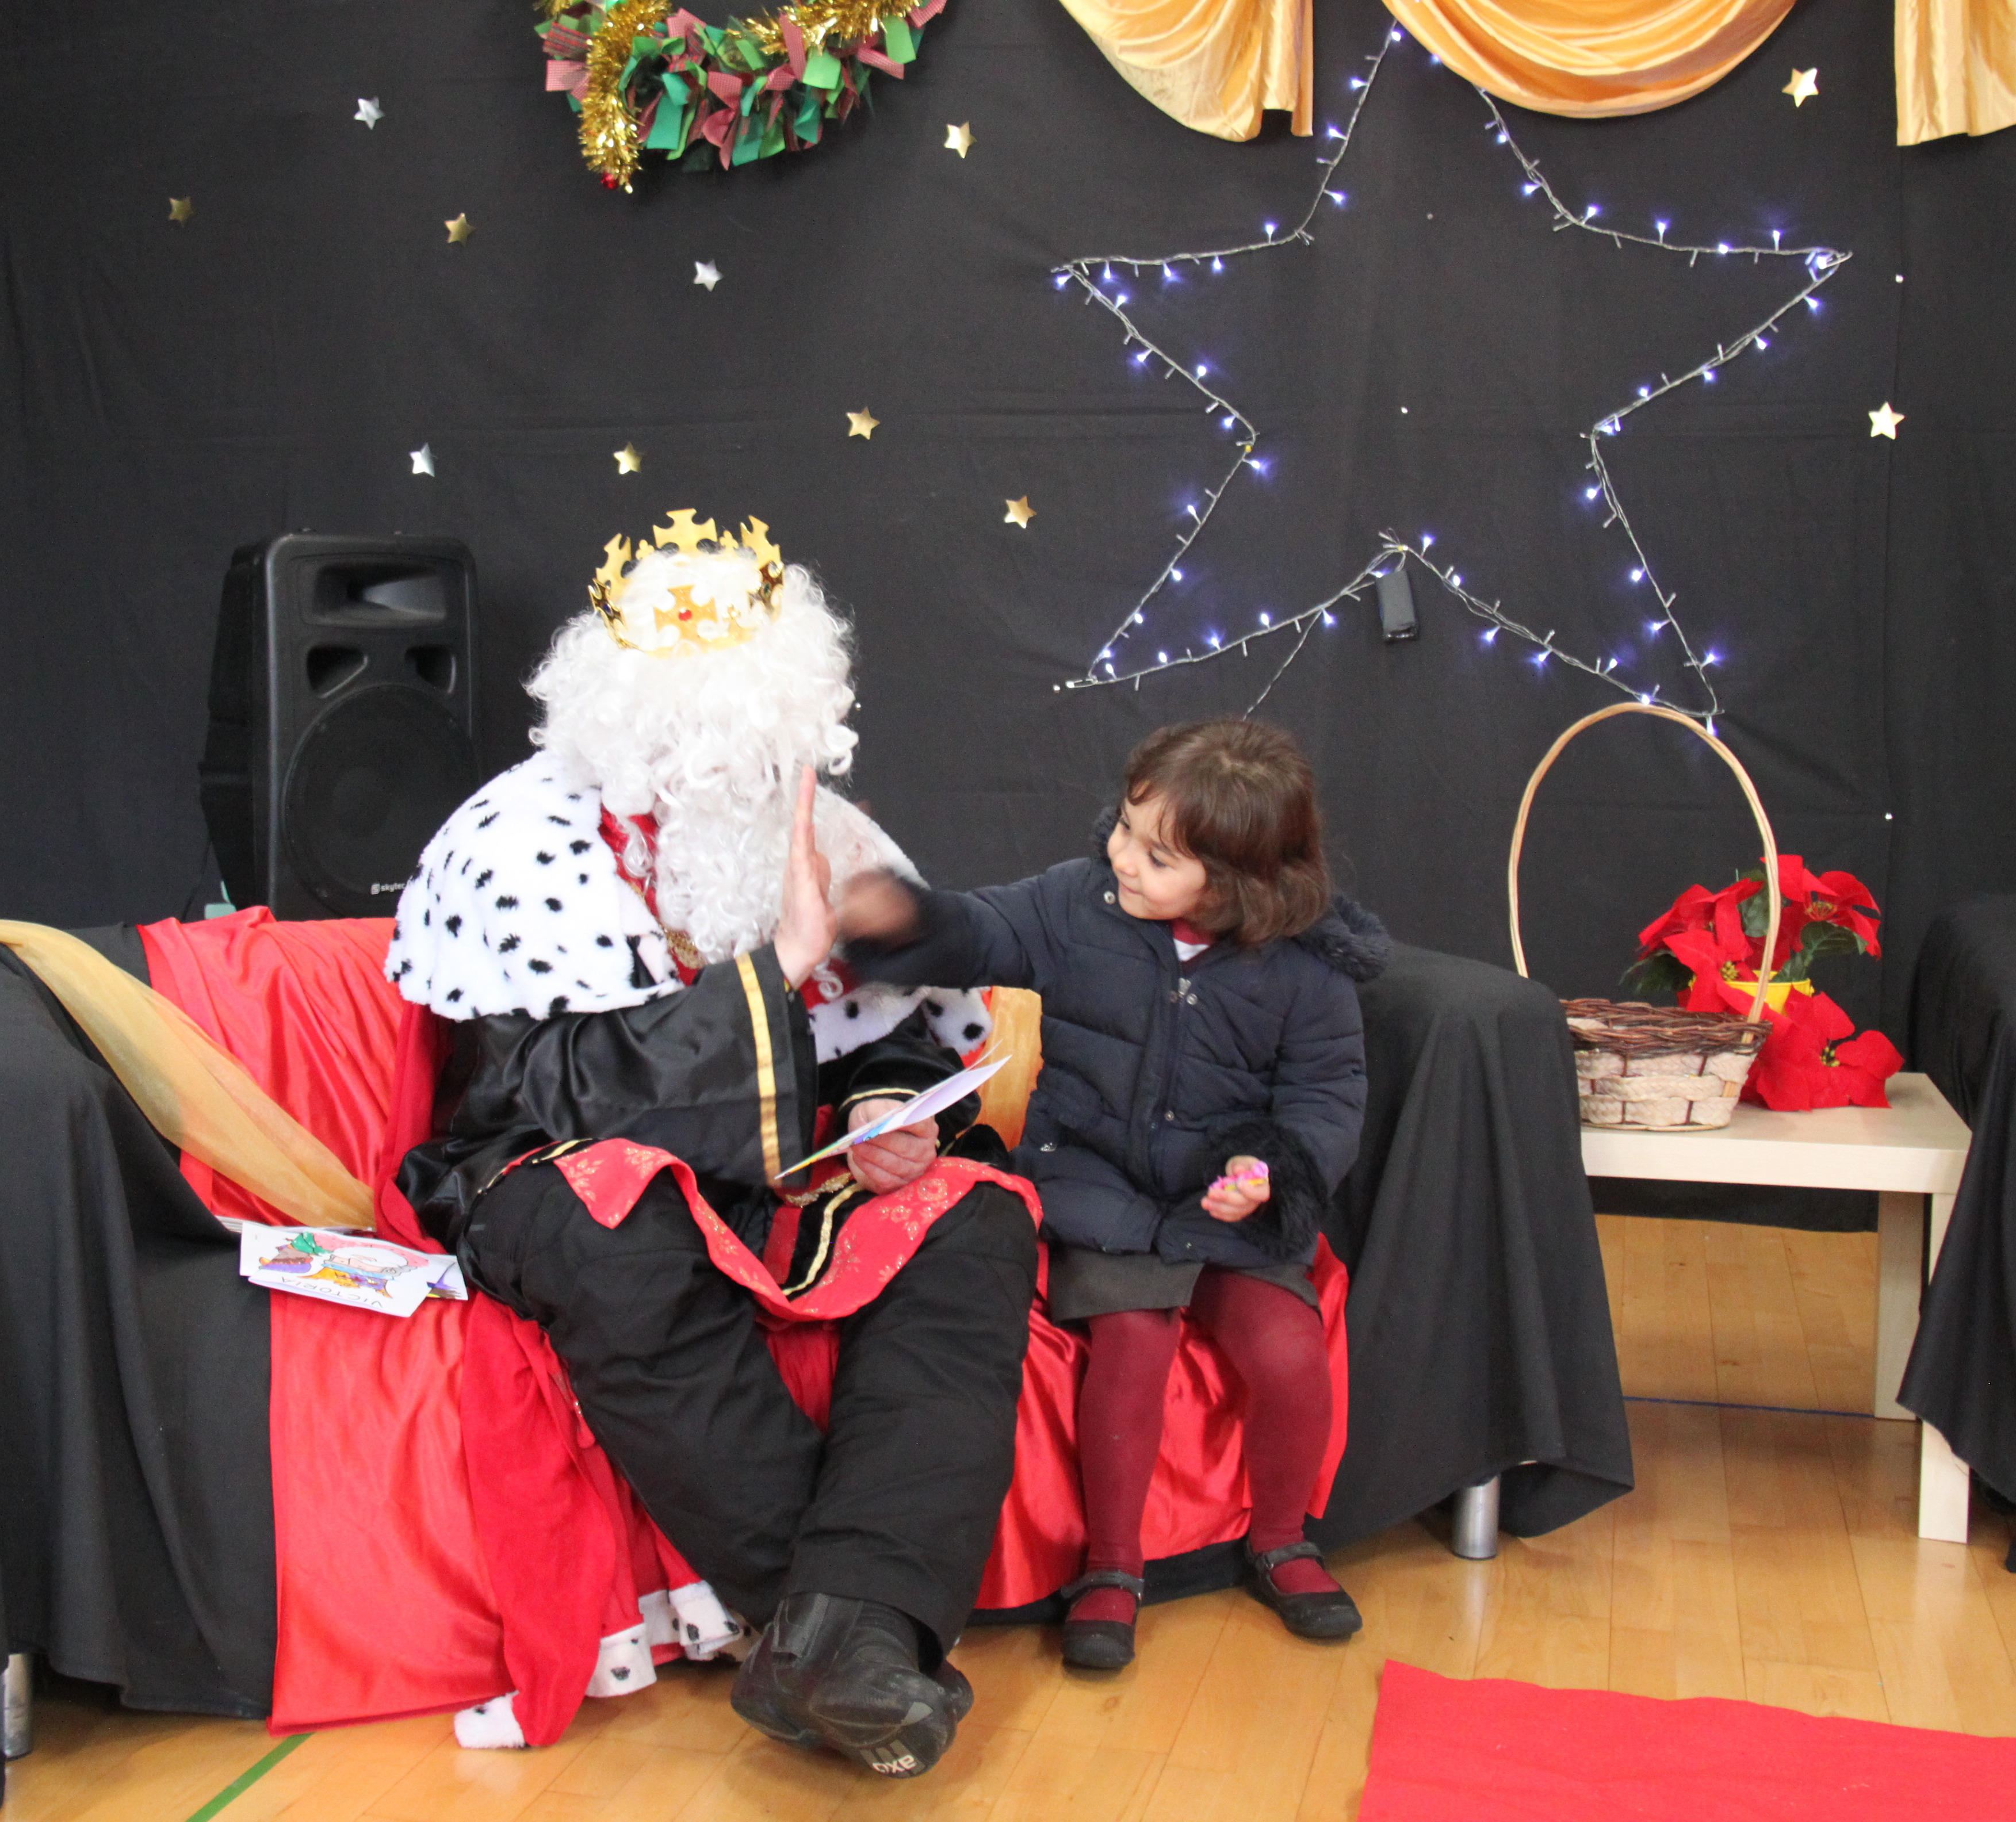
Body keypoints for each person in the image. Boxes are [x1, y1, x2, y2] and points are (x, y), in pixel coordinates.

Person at [383, 511, 1038, 1778]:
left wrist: (882, 1109)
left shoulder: (822, 833)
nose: (727, 769)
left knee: (978, 1211)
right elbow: (566, 1090)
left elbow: (893, 1034)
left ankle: (836, 1645)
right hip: (553, 1164)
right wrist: (779, 960)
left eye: (752, 740)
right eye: (693, 736)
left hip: (779, 1175)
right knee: (616, 1216)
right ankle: (853, 1639)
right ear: (618, 719)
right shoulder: (517, 842)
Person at [837, 718, 1388, 1669]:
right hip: (1102, 1189)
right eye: (1127, 828)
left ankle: (1284, 1538)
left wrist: (1269, 1174)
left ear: (1241, 881)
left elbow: (1327, 1095)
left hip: (1228, 1204)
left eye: (1157, 854)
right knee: (1130, 1344)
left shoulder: (1306, 969)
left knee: (1290, 1352)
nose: (1123, 857)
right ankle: (1113, 1565)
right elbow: (985, 929)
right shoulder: (1076, 903)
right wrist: (906, 920)